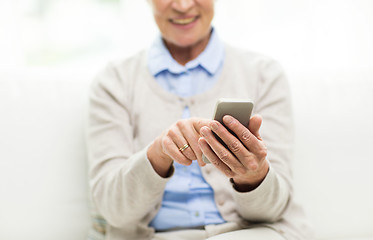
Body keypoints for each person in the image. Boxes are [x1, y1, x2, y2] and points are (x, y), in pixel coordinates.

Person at [86, 0, 312, 239]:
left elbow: (272, 210)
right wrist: (158, 154)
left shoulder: (264, 75)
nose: (183, 6)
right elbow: (113, 210)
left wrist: (252, 176)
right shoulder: (113, 82)